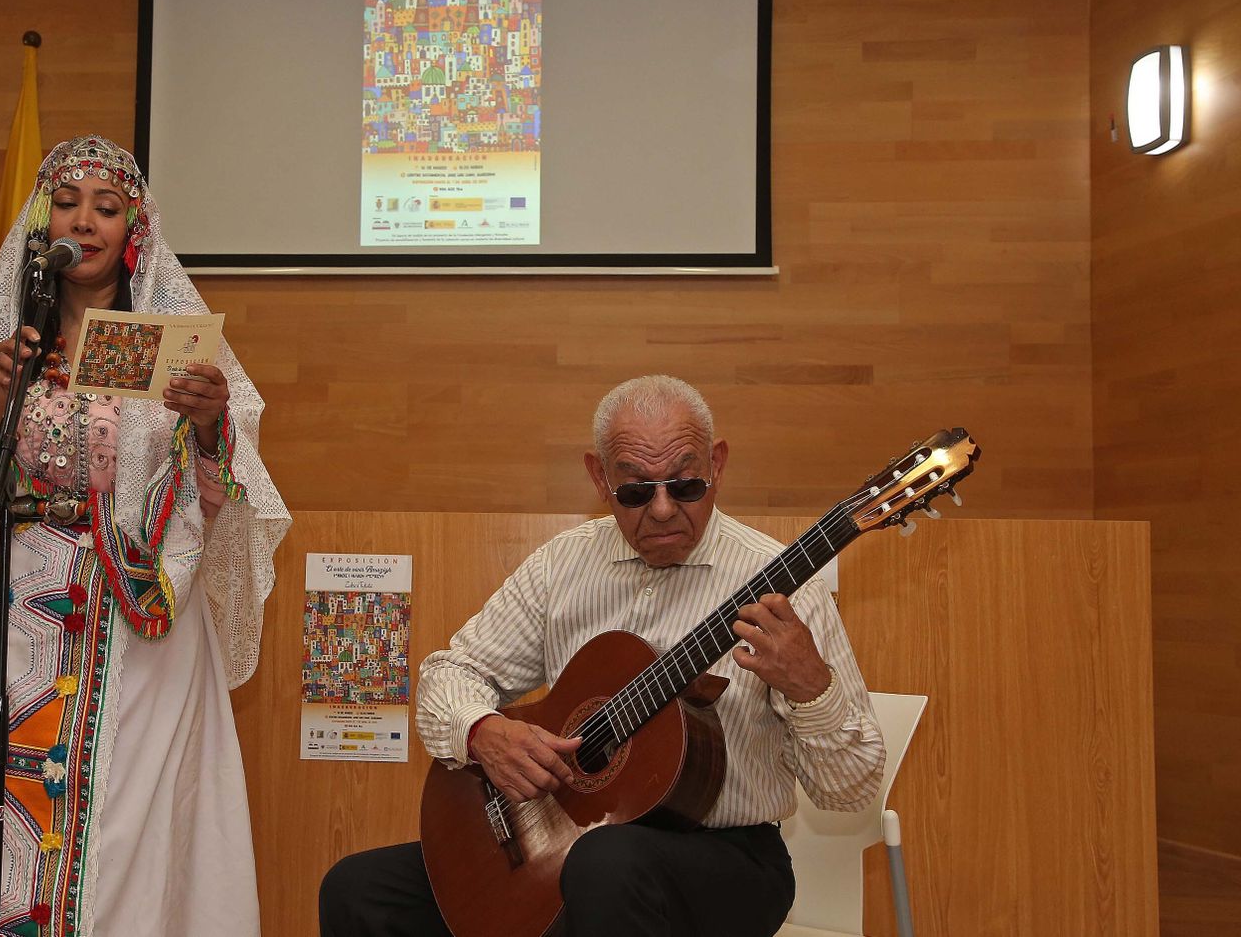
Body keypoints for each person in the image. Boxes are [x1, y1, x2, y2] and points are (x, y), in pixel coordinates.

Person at [319, 375, 885, 937]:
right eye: (636, 491)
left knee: (605, 864)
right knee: (357, 889)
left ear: (717, 464)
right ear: (599, 477)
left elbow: (849, 791)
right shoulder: (561, 567)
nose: (662, 510)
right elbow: (451, 672)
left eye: (685, 486)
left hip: (728, 861)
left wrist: (814, 690)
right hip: (566, 839)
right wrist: (481, 731)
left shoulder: (787, 588)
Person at [0, 135, 291, 937]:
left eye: (106, 208)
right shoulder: (1, 342)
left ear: (134, 228)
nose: (86, 220)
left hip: (137, 626)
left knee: (124, 838)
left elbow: (223, 501)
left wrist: (210, 426)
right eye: (68, 204)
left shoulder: (168, 345)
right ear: (42, 226)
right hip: (11, 624)